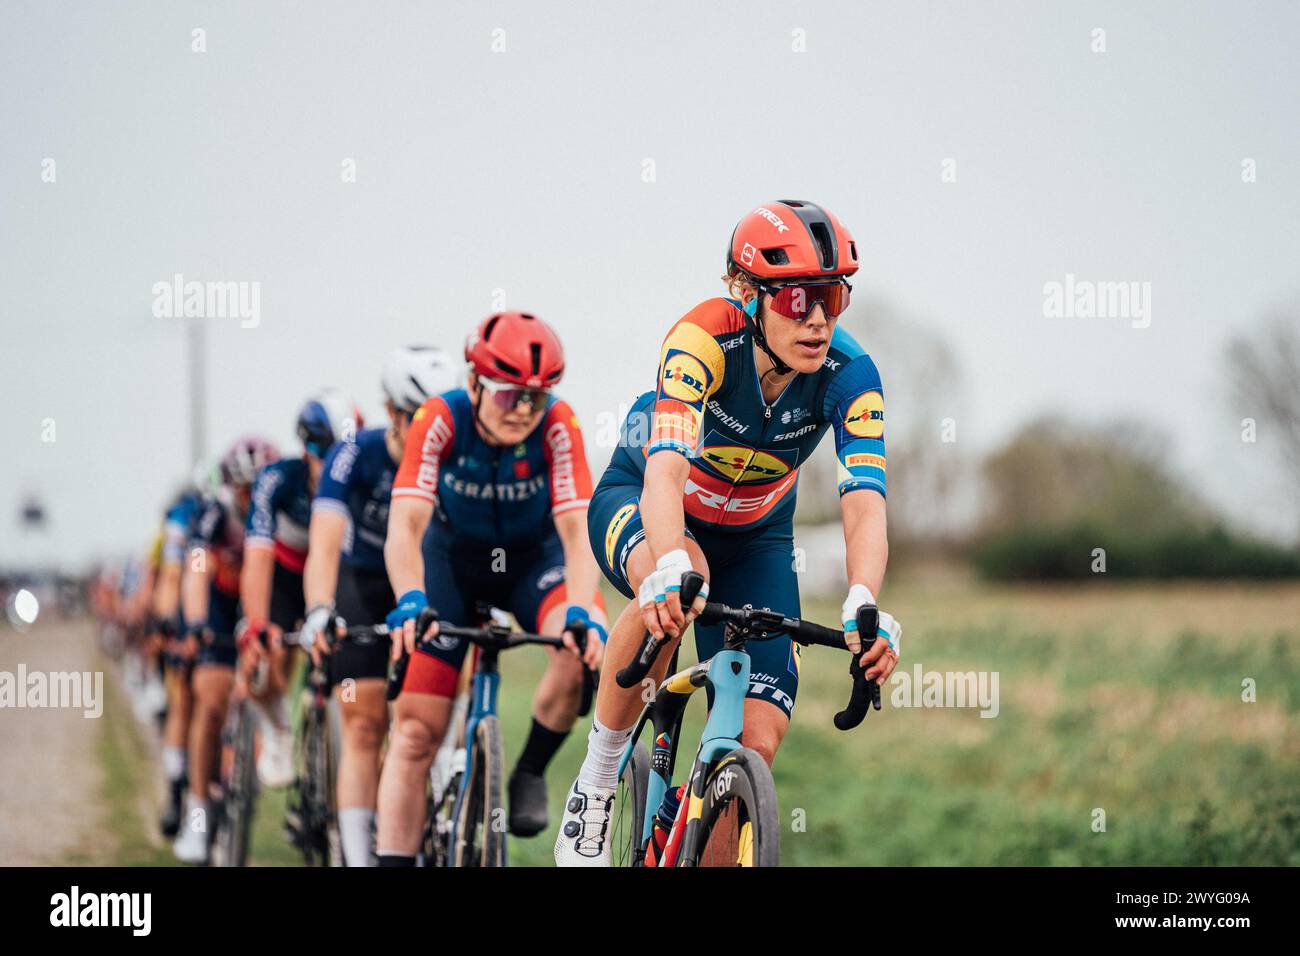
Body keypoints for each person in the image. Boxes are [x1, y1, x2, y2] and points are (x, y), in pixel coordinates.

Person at [555, 200, 903, 866]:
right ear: (748, 295)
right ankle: (598, 781)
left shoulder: (852, 376)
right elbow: (664, 474)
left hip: (756, 538)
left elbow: (864, 502)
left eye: (833, 296)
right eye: (799, 297)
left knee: (758, 745)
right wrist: (665, 564)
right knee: (686, 578)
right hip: (649, 500)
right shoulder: (702, 340)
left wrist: (863, 599)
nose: (819, 319)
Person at [379, 311, 606, 866]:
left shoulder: (559, 425)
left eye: (537, 396)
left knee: (582, 649)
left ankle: (528, 770)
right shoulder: (439, 419)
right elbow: (405, 527)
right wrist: (411, 598)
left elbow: (580, 534)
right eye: (510, 396)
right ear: (474, 383)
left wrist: (583, 612)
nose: (525, 411)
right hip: (452, 566)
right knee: (415, 735)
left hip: (535, 564)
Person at [301, 347, 460, 866]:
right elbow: (323, 544)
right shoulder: (353, 453)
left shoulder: (455, 454)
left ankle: (427, 797)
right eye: (415, 415)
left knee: (422, 717)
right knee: (364, 722)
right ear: (390, 411)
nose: (427, 427)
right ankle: (358, 856)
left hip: (423, 577)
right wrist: (321, 608)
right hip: (364, 583)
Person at [237, 390, 360, 789]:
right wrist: (257, 624)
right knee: (262, 667)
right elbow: (257, 556)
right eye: (325, 452)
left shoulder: (362, 480)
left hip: (335, 580)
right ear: (307, 448)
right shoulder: (276, 480)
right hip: (285, 580)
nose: (335, 465)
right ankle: (277, 729)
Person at [174, 436, 279, 864]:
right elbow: (195, 572)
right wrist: (197, 624)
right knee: (211, 700)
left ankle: (254, 753)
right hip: (217, 605)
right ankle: (197, 815)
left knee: (266, 677)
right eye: (244, 489)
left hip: (258, 599)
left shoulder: (279, 510)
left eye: (258, 488)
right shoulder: (214, 512)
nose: (251, 497)